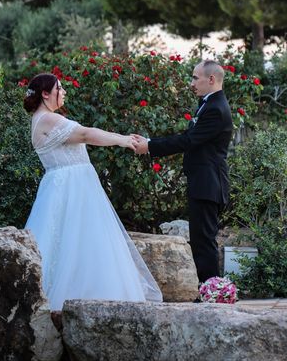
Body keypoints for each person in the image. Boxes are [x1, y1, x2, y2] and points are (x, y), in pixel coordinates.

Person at [23, 73, 162, 310]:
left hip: (63, 186)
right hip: (73, 188)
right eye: (59, 88)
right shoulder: (47, 119)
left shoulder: (42, 119)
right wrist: (123, 140)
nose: (64, 92)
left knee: (75, 243)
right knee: (81, 242)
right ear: (45, 94)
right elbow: (87, 134)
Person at [133, 60, 233, 286]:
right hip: (203, 182)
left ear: (211, 79)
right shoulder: (208, 104)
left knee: (204, 242)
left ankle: (211, 293)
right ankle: (209, 291)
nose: (191, 83)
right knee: (200, 240)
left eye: (195, 78)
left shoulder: (216, 109)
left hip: (209, 183)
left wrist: (150, 145)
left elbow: (189, 140)